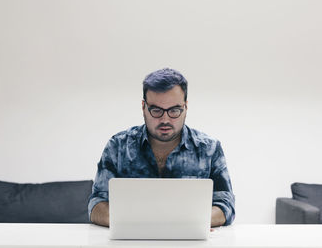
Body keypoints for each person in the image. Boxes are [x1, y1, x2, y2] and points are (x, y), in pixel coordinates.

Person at [88, 68, 235, 227]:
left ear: (185, 107)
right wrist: (147, 224)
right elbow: (96, 204)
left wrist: (183, 223)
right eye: (156, 110)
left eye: (174, 110)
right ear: (144, 107)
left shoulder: (209, 149)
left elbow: (226, 205)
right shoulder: (117, 146)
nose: (165, 119)